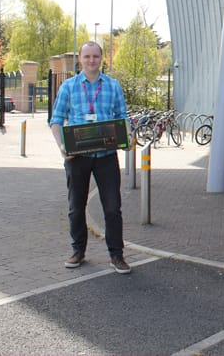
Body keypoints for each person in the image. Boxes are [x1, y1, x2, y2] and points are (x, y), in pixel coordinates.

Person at [49, 41, 132, 274]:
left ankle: (117, 255)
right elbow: (56, 120)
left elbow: (122, 116)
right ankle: (78, 251)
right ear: (80, 59)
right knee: (76, 207)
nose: (92, 60)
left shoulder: (113, 86)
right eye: (87, 57)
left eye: (96, 56)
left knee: (113, 208)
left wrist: (127, 139)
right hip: (78, 157)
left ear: (101, 58)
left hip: (106, 155)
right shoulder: (69, 86)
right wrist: (62, 147)